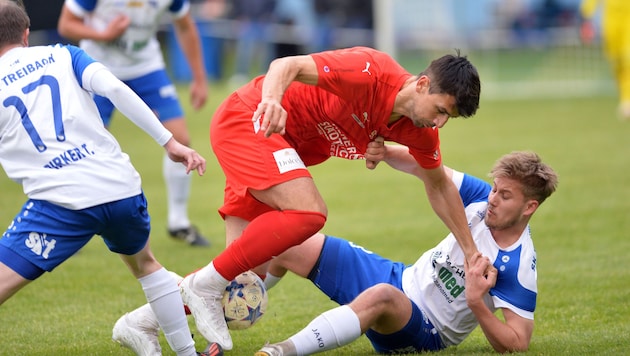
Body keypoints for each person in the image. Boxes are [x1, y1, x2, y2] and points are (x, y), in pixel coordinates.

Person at [177, 46, 483, 351]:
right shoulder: (369, 70)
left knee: (247, 276)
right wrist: (271, 101)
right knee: (309, 213)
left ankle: (145, 320)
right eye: (441, 110)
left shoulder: (420, 132)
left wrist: (470, 252)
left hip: (281, 151)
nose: (439, 123)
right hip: (252, 119)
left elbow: (440, 186)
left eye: (448, 118)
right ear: (422, 85)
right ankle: (204, 284)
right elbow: (286, 64)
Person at [0, 1, 216, 355]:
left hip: (61, 203)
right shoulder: (63, 55)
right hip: (120, 188)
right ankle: (187, 351)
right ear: (25, 34)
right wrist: (170, 142)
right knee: (146, 265)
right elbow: (115, 89)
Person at [255, 149, 559, 355]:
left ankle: (279, 351)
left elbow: (518, 343)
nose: (492, 198)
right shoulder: (481, 198)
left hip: (425, 329)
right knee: (286, 240)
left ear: (529, 207)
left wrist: (475, 301)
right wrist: (384, 151)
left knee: (382, 296)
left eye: (504, 195)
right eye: (494, 188)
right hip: (400, 278)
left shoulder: (517, 263)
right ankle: (238, 307)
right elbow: (426, 166)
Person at [57, 0, 211, 246]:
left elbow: (184, 26)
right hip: (97, 68)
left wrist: (199, 78)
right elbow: (66, 24)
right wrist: (103, 35)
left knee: (180, 137)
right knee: (86, 147)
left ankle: (178, 222)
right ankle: (73, 223)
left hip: (146, 68)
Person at [580, 0, 630, 120]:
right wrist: (586, 18)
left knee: (628, 58)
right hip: (611, 22)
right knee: (616, 62)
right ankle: (625, 99)